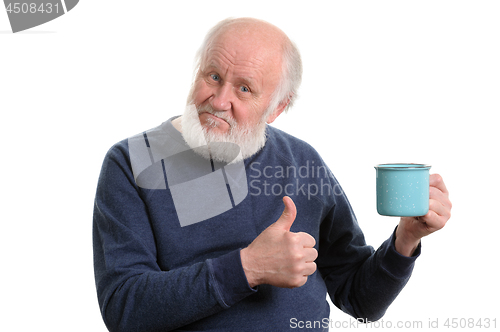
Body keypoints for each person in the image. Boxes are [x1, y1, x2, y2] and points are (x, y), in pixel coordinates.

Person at [92, 17, 452, 332]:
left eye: (244, 88)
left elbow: (360, 301)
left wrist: (405, 240)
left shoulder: (302, 161)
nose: (218, 100)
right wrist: (247, 267)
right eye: (213, 76)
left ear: (277, 107)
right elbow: (123, 308)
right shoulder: (131, 162)